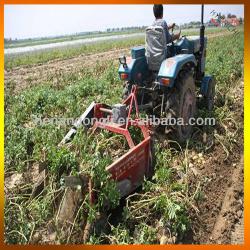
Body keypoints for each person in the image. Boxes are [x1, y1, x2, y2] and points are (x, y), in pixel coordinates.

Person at [145, 4, 181, 71]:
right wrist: (177, 36)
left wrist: (170, 26)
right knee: (176, 50)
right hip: (162, 55)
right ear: (162, 12)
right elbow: (168, 39)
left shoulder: (152, 24)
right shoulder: (163, 22)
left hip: (152, 56)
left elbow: (161, 29)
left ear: (154, 13)